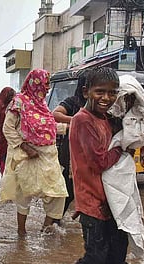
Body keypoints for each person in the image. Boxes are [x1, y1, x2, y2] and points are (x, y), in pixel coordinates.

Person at [41, 67, 128, 264]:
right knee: (93, 259)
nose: (106, 98)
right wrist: (123, 148)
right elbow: (99, 161)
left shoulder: (107, 119)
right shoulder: (82, 120)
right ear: (86, 91)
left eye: (112, 93)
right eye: (100, 92)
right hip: (92, 202)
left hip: (115, 201)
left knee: (115, 259)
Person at [0, 69, 68, 236]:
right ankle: (21, 233)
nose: (48, 88)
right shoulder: (19, 102)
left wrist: (69, 128)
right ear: (35, 83)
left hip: (47, 154)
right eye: (46, 84)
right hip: (26, 154)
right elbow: (7, 128)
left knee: (58, 192)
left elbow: (47, 128)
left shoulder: (43, 105)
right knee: (24, 192)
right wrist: (25, 147)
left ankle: (46, 228)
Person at [52, 72, 87, 215]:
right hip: (72, 151)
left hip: (92, 153)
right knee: (69, 188)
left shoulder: (101, 104)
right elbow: (56, 114)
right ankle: (54, 219)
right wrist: (76, 120)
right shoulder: (74, 101)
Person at [0, 87, 15, 175]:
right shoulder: (4, 107)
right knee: (5, 155)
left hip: (7, 135)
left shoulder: (10, 106)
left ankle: (6, 175)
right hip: (4, 135)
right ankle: (5, 174)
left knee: (6, 155)